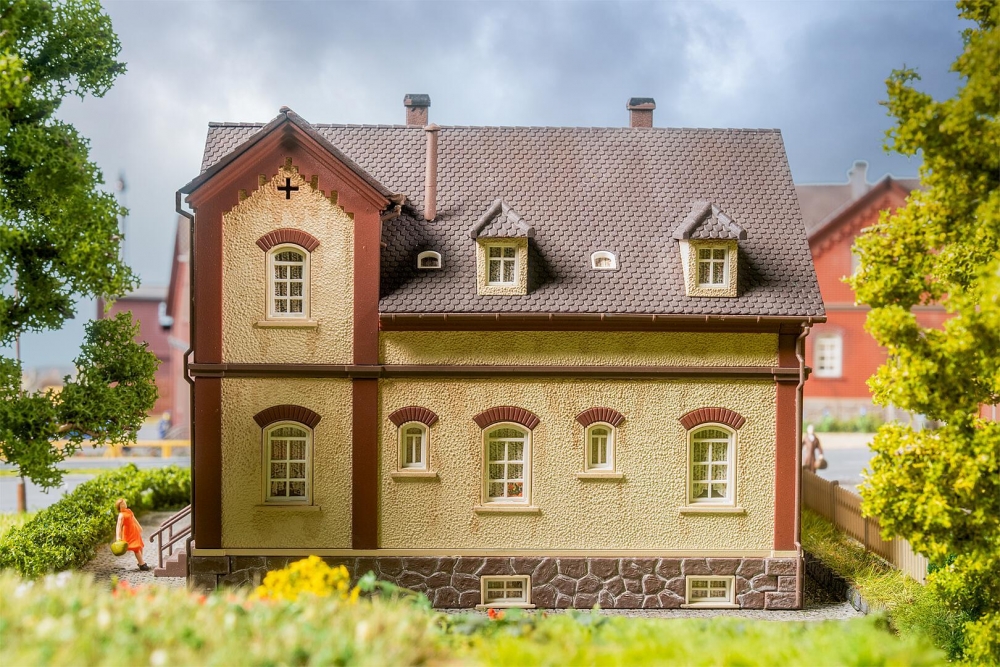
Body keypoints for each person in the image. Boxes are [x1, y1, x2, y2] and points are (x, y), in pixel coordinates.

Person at [115, 498, 150, 571]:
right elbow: (118, 526)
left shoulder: (129, 511)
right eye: (122, 504)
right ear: (119, 507)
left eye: (125, 503)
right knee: (136, 547)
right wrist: (118, 537)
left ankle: (140, 561)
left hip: (134, 531)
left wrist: (139, 526)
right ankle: (142, 564)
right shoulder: (121, 515)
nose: (124, 505)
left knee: (139, 546)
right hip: (128, 533)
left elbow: (134, 519)